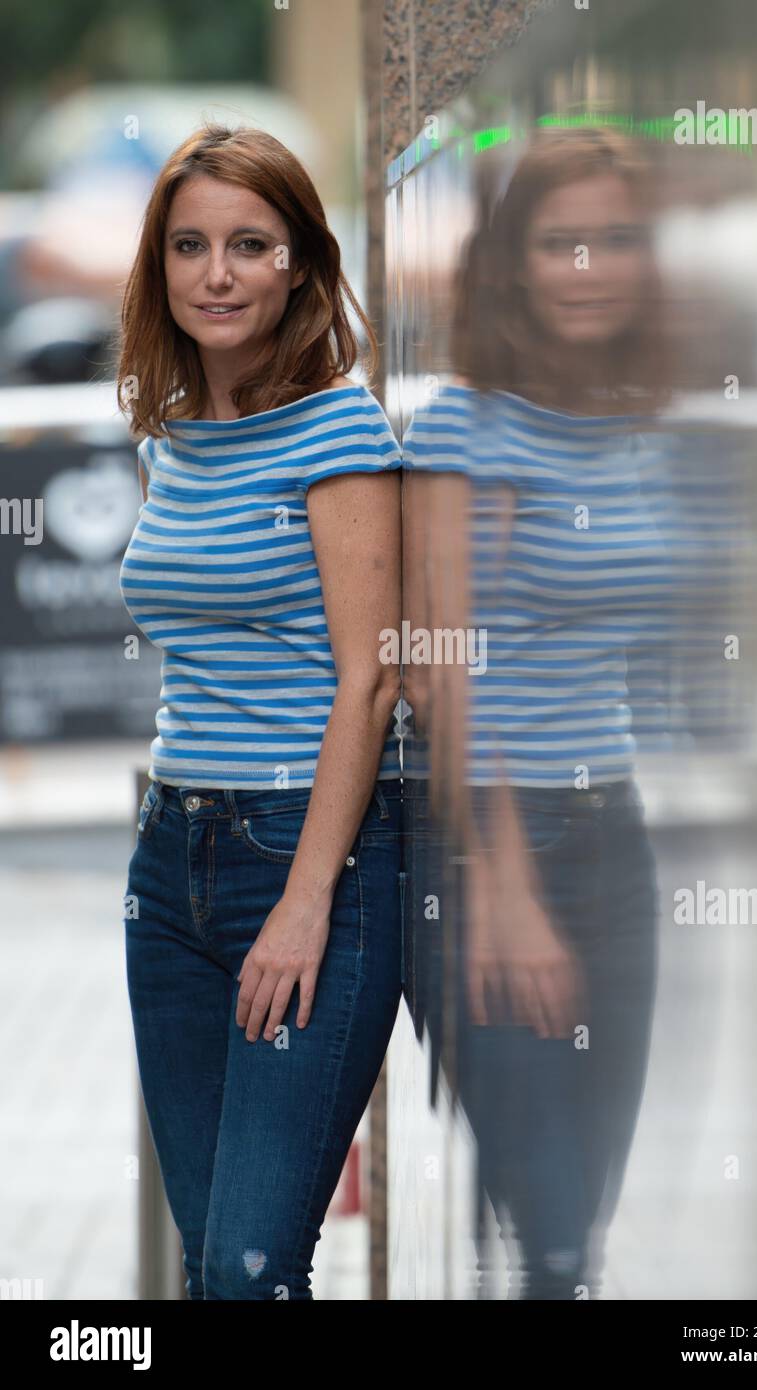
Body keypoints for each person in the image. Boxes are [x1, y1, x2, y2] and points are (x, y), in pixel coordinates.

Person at [116, 123, 403, 1300]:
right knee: (213, 1270)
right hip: (169, 856)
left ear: (299, 264)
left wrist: (303, 901)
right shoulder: (175, 433)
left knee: (247, 1268)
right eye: (190, 246)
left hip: (303, 853)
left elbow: (371, 677)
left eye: (249, 244)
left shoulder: (337, 426)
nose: (216, 274)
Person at [401, 126, 673, 1298]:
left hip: (614, 838)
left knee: (577, 1239)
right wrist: (501, 887)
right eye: (558, 242)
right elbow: (442, 669)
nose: (588, 268)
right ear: (510, 263)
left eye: (614, 239)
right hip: (486, 852)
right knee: (552, 1232)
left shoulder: (636, 425)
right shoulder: (468, 426)